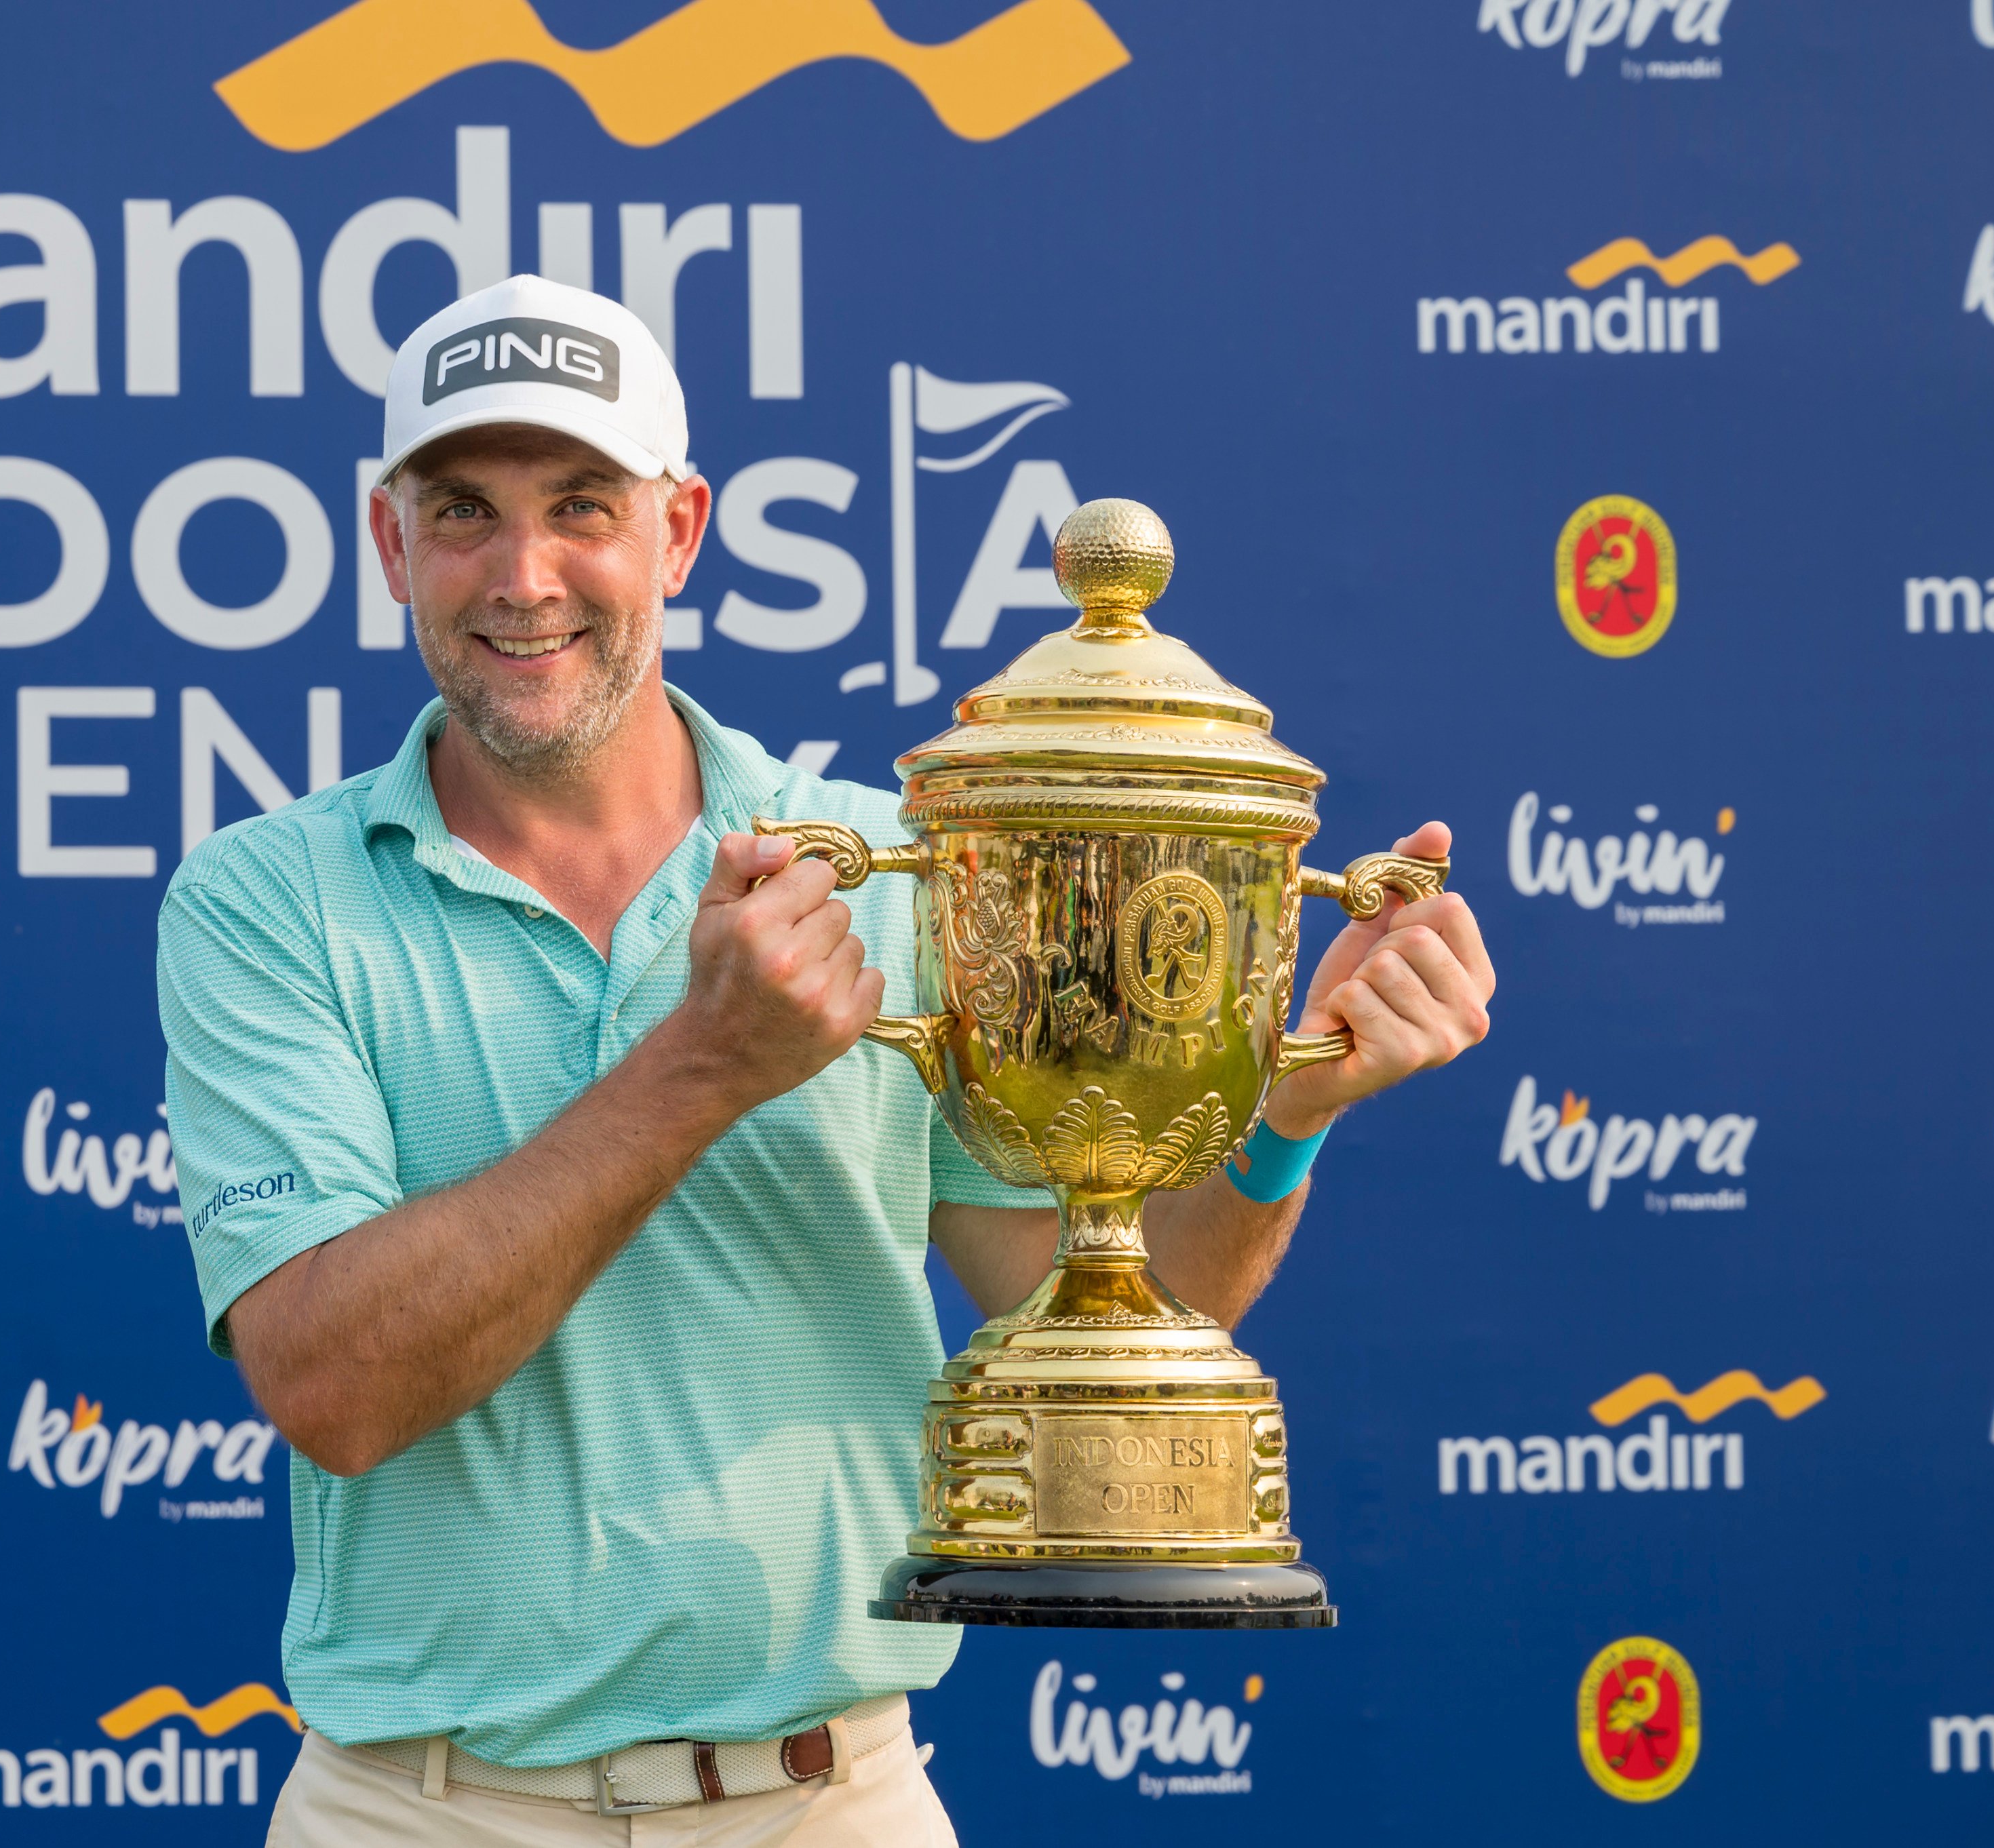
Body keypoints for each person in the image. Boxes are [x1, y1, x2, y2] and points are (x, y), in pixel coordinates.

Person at [157, 275, 1495, 1846]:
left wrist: (1276, 1114)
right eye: (463, 512)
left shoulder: (901, 865)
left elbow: (1116, 1302)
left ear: (679, 530)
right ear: (391, 545)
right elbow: (334, 1385)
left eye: (580, 506)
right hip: (417, 1809)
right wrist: (698, 1067)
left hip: (820, 1801)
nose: (521, 577)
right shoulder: (268, 900)